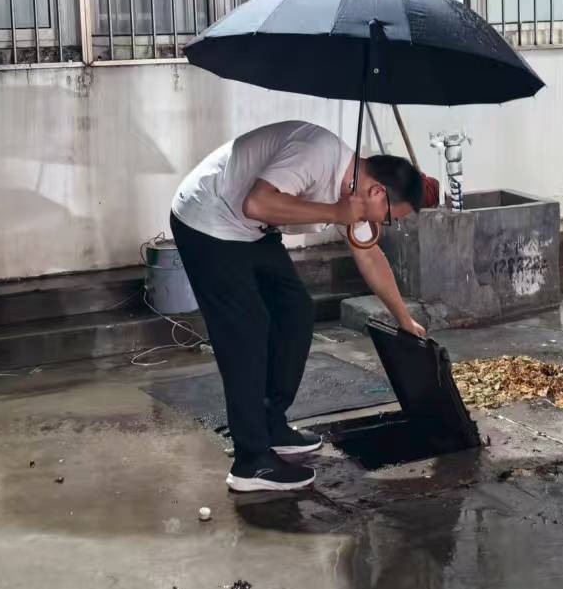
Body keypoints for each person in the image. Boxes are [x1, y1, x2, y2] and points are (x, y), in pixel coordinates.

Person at [170, 120, 428, 493]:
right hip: (208, 217)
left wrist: (404, 319)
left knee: (295, 313)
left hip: (251, 230)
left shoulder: (353, 193)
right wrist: (334, 212)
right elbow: (257, 203)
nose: (381, 224)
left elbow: (369, 255)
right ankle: (251, 462)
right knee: (246, 331)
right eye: (388, 217)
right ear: (376, 191)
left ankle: (271, 423)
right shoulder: (317, 153)